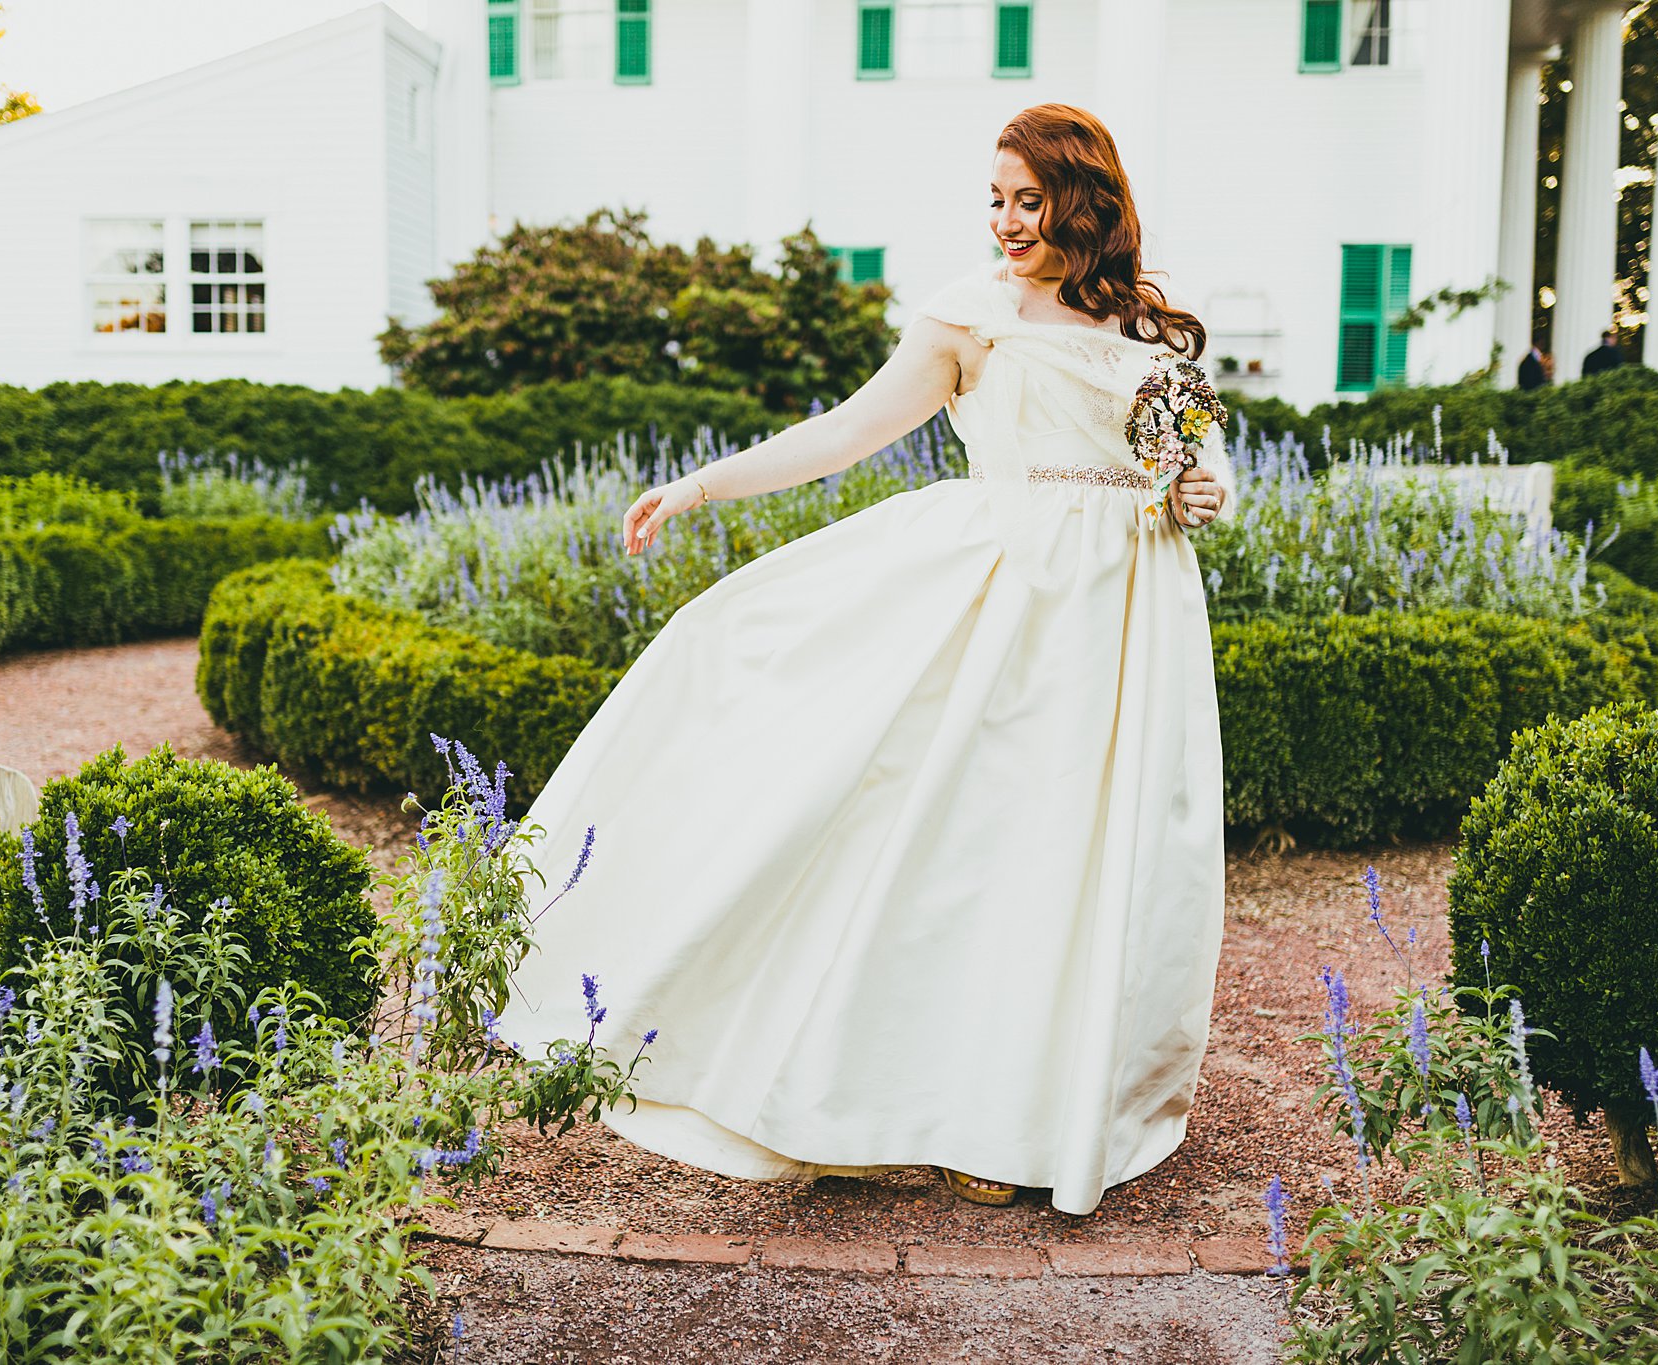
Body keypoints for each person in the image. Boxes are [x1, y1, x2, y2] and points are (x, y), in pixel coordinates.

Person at [486, 103, 1235, 1218]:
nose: (1005, 221)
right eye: (994, 199)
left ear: (1084, 200)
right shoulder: (966, 319)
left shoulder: (1154, 336)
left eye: (1027, 200)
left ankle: (1038, 1110)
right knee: (977, 848)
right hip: (1012, 603)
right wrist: (700, 484)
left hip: (1129, 611)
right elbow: (843, 434)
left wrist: (1205, 495)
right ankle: (932, 1104)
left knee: (1090, 859)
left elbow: (1196, 470)